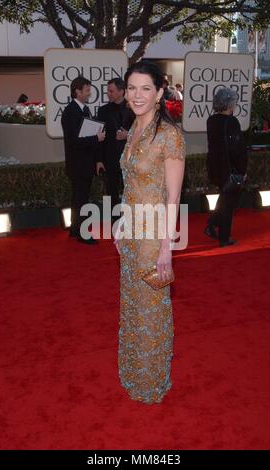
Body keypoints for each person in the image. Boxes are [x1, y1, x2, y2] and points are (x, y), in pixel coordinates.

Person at [114, 60, 185, 404]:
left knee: (152, 309)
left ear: (159, 93)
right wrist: (120, 222)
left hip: (153, 237)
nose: (137, 95)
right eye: (132, 88)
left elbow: (173, 197)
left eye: (146, 88)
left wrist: (166, 249)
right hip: (130, 235)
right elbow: (130, 184)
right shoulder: (133, 129)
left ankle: (151, 380)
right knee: (133, 307)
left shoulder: (168, 136)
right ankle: (133, 370)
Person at [61, 77, 105, 244]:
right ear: (77, 91)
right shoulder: (71, 112)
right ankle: (83, 234)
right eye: (87, 90)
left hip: (83, 163)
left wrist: (96, 156)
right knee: (81, 200)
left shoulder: (84, 110)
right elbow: (73, 141)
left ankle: (75, 229)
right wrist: (96, 138)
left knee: (78, 198)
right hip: (78, 165)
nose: (90, 93)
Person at [204, 87, 248, 247]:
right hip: (230, 169)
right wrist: (242, 170)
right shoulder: (232, 122)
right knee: (229, 203)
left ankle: (212, 224)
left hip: (215, 166)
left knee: (225, 197)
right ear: (230, 104)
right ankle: (224, 237)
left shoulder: (211, 120)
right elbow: (237, 149)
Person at [97, 78, 135, 214]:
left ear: (121, 91)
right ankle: (114, 218)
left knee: (130, 189)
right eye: (108, 91)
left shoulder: (134, 109)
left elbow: (144, 133)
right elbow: (99, 138)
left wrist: (128, 135)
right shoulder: (103, 111)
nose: (109, 93)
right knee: (111, 190)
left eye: (111, 91)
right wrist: (99, 159)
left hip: (131, 158)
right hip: (110, 157)